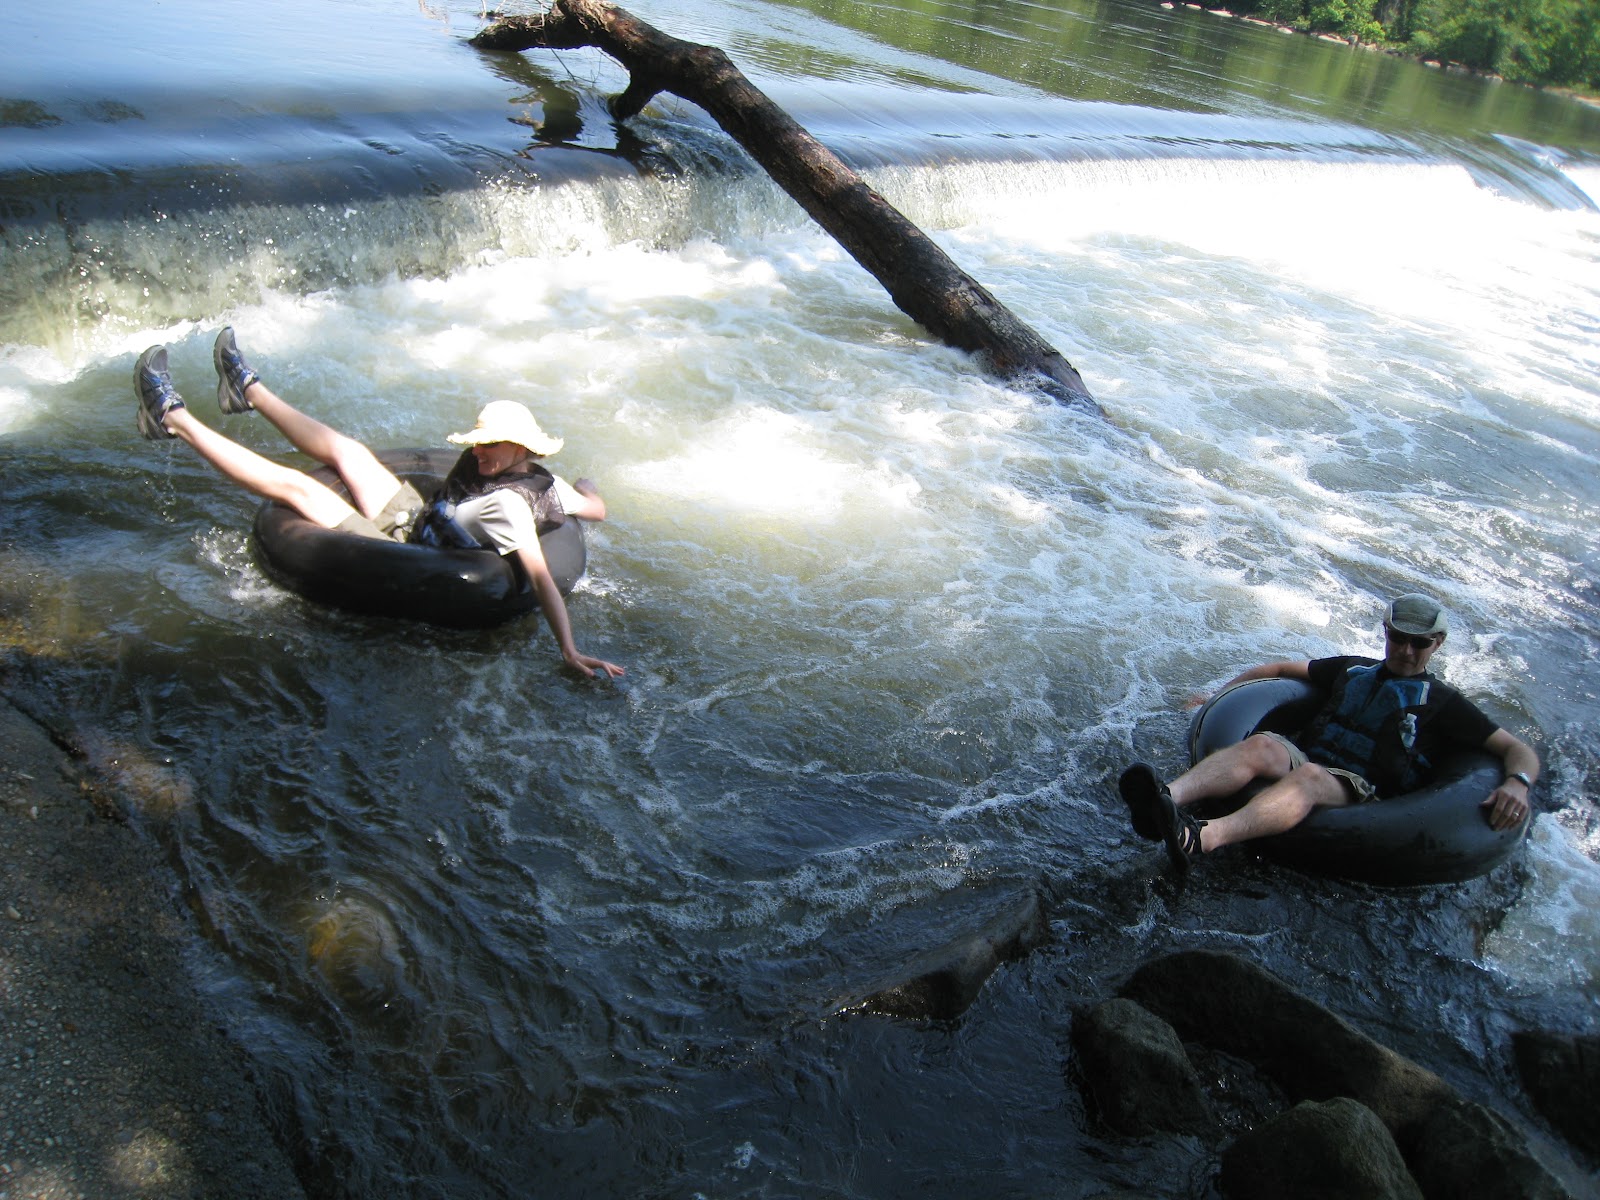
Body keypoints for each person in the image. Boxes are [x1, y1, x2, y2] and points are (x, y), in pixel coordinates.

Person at [133, 329, 624, 679]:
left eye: (490, 445)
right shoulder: (538, 477)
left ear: (519, 447)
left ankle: (171, 418)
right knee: (348, 452)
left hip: (415, 552)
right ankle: (247, 390)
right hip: (421, 521)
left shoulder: (512, 507)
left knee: (297, 488)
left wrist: (569, 649)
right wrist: (589, 486)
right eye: (478, 443)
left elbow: (540, 577)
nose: (478, 452)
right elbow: (593, 508)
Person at [1117, 593, 1537, 873]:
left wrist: (1517, 783)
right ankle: (1163, 800)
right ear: (1386, 632)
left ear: (1437, 643)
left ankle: (1202, 838)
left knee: (1311, 778)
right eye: (1398, 638)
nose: (1406, 651)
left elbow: (1516, 749)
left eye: (1419, 643)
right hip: (1311, 759)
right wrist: (1215, 696)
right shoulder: (1353, 669)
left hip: (1362, 791)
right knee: (1262, 745)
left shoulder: (1445, 704)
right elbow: (1278, 669)